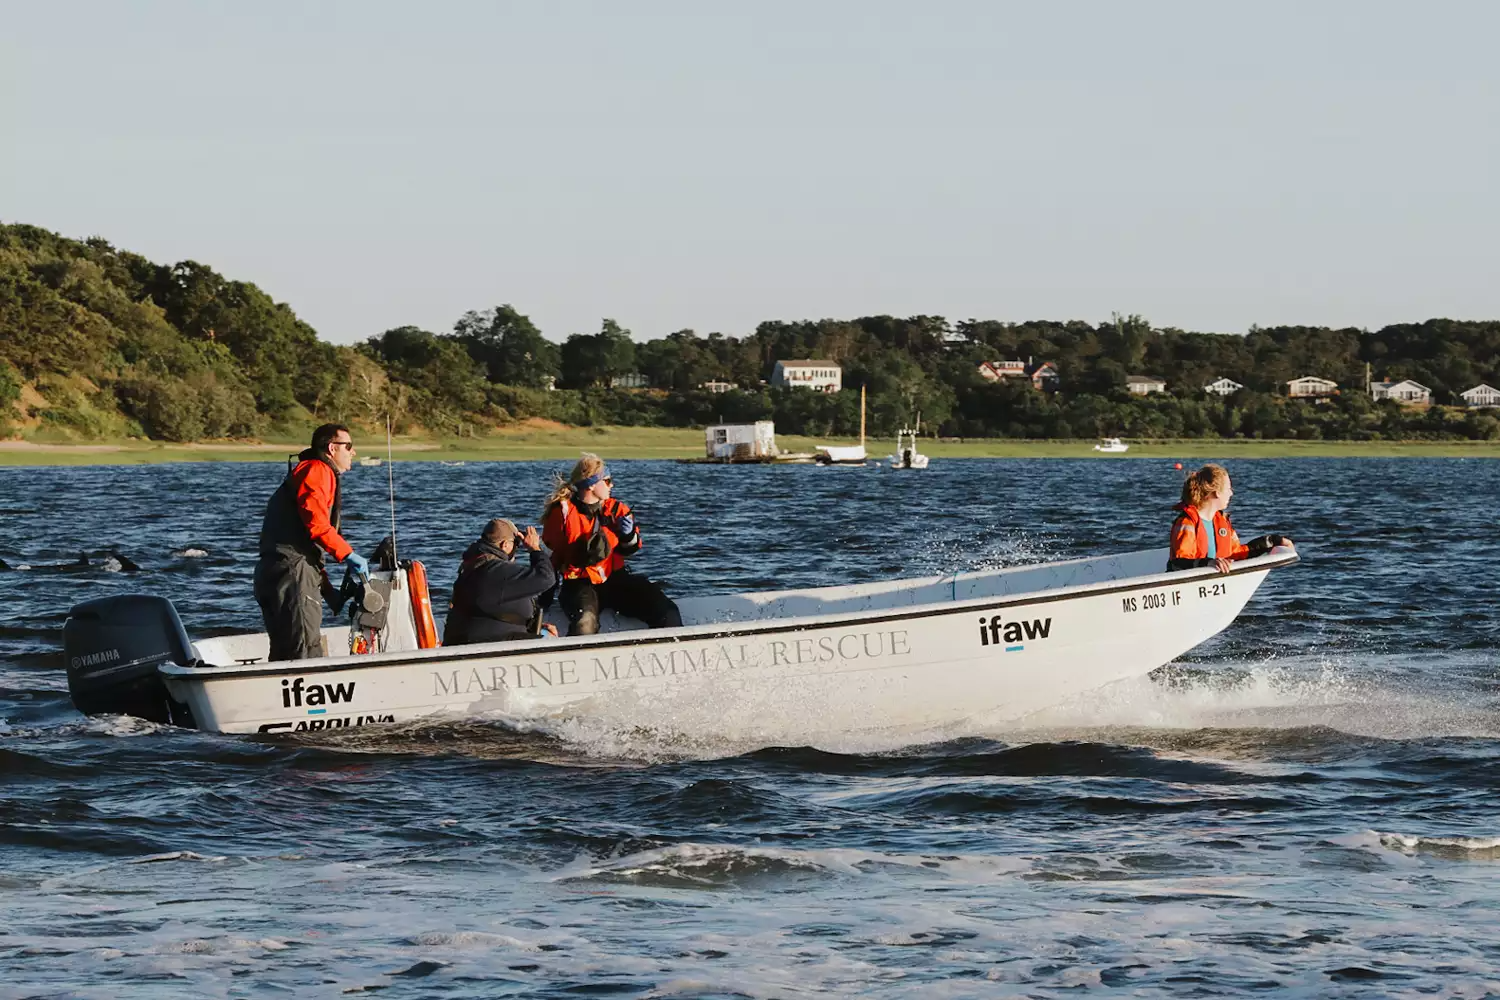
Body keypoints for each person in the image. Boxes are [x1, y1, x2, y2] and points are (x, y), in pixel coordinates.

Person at [253, 423, 366, 660]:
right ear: (331, 448)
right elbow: (316, 525)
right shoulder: (317, 470)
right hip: (291, 572)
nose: (353, 452)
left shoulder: (312, 471)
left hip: (280, 571)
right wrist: (348, 555)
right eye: (349, 446)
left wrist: (326, 588)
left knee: (287, 649)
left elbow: (303, 543)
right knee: (304, 650)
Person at [540, 453, 682, 635]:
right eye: (607, 481)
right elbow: (550, 556)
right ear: (591, 485)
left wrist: (628, 534)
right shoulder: (562, 513)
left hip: (615, 578)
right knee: (585, 622)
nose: (612, 485)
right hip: (578, 584)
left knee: (665, 610)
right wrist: (544, 600)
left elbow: (630, 549)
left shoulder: (617, 509)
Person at [444, 519, 559, 644]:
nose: (517, 548)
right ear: (505, 545)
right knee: (551, 640)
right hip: (488, 644)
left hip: (472, 638)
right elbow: (546, 577)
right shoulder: (497, 571)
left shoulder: (474, 566)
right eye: (516, 543)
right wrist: (535, 549)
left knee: (545, 633)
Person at [1168, 464, 1295, 573]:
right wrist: (1209, 563)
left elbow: (1238, 553)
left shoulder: (1222, 522)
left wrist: (1273, 541)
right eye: (1229, 488)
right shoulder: (1187, 523)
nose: (1231, 493)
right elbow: (1179, 563)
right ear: (1217, 493)